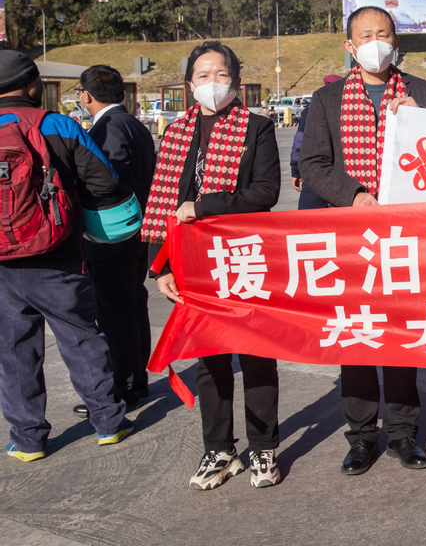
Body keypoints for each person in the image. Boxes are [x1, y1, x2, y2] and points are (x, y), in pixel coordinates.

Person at [300, 5, 426, 476]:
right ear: (350, 46)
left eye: (384, 34)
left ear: (396, 41)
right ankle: (361, 436)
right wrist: (356, 195)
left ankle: (404, 433)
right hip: (351, 233)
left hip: (405, 234)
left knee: (401, 337)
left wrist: (424, 120)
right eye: (366, 35)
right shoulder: (327, 100)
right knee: (359, 336)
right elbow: (313, 164)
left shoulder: (421, 91)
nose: (376, 42)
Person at [147, 42, 282, 490]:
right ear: (189, 84)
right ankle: (219, 450)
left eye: (221, 75)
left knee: (257, 354)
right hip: (193, 262)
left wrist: (204, 207)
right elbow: (162, 202)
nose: (212, 83)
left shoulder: (256, 129)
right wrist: (158, 267)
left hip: (245, 255)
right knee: (210, 359)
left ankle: (263, 448)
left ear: (236, 82)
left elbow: (264, 192)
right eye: (202, 75)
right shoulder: (175, 133)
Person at [0, 51, 136, 462]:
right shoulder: (56, 124)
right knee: (80, 336)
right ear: (32, 86)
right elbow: (104, 180)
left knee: (14, 350)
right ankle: (108, 423)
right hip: (57, 254)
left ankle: (28, 440)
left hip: (3, 262)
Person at [73, 65, 157, 419]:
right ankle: (136, 379)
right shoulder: (133, 123)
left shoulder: (108, 128)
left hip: (114, 234)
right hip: (137, 229)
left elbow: (108, 180)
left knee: (115, 311)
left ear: (86, 95)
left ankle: (122, 386)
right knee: (132, 304)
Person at [289, 75, 341, 210]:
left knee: (310, 225)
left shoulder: (312, 108)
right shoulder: (353, 108)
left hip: (316, 175)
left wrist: (296, 170)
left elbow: (299, 141)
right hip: (345, 178)